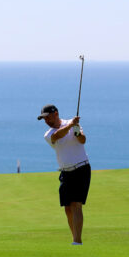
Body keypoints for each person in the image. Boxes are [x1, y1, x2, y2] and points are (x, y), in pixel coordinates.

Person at [38, 103, 90, 245]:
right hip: (65, 172)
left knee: (76, 205)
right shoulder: (48, 134)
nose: (46, 121)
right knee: (67, 208)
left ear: (56, 114)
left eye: (47, 117)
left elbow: (82, 140)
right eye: (44, 119)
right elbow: (58, 136)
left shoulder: (72, 125)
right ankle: (75, 238)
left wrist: (76, 129)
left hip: (81, 168)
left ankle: (77, 242)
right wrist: (71, 125)